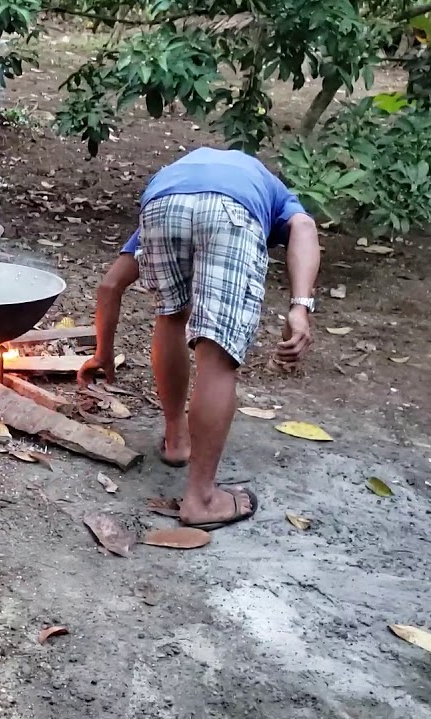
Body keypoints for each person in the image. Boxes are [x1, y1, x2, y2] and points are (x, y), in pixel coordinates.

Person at [79, 148, 320, 530]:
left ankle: (177, 440)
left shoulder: (186, 180)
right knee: (217, 351)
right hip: (230, 211)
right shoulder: (273, 193)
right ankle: (202, 500)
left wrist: (102, 354)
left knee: (171, 315)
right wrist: (300, 308)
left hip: (161, 205)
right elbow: (304, 227)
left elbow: (110, 285)